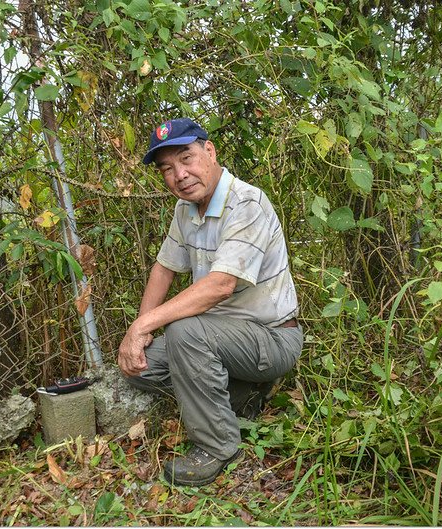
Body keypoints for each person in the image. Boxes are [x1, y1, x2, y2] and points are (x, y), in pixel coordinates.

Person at [117, 117, 302, 486]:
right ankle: (241, 395)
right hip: (221, 338)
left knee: (185, 332)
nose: (180, 175)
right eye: (167, 169)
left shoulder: (247, 203)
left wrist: (144, 324)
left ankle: (218, 446)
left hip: (272, 339)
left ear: (210, 151)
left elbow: (220, 285)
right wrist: (138, 334)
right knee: (138, 366)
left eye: (186, 158)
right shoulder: (185, 210)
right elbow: (164, 269)